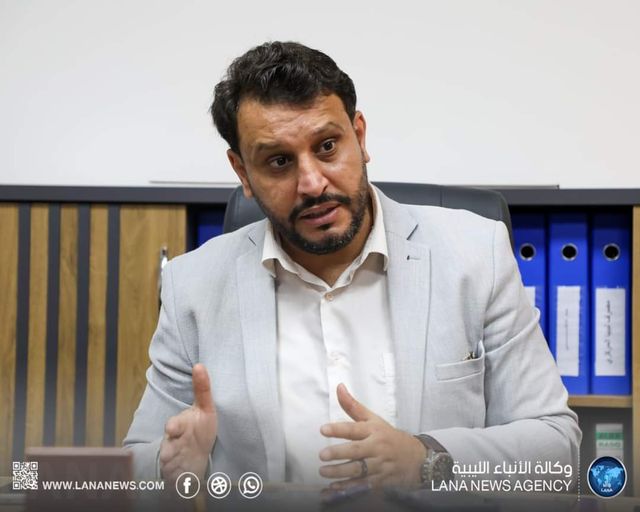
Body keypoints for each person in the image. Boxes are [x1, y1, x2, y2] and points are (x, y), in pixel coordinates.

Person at [124, 41, 581, 489]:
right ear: (243, 172)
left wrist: (426, 459)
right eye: (279, 161)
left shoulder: (475, 255)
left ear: (359, 137)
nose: (312, 183)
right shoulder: (193, 287)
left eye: (327, 146)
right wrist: (169, 470)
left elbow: (557, 450)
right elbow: (137, 467)